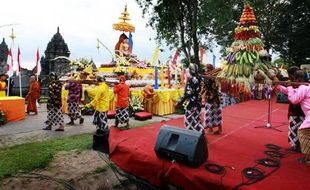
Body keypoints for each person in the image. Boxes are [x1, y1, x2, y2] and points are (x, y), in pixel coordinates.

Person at [277, 82, 310, 164]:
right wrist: (278, 85)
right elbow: (291, 91)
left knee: (303, 134)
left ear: (297, 79)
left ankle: (308, 159)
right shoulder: (305, 87)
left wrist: (289, 86)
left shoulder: (303, 87)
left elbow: (294, 100)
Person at [283, 67, 305, 152]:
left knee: (295, 128)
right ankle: (299, 145)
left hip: (297, 110)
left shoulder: (300, 85)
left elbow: (294, 99)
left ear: (292, 75)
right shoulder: (301, 84)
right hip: (302, 111)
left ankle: (296, 146)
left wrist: (288, 87)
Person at [177, 63, 204, 132]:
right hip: (197, 103)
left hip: (192, 104)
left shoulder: (191, 80)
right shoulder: (198, 78)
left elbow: (188, 94)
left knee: (190, 121)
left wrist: (180, 102)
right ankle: (198, 136)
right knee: (196, 120)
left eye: (188, 70)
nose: (186, 72)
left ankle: (201, 135)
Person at [202, 64, 222, 135]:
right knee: (217, 113)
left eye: (207, 69)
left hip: (210, 98)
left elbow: (205, 87)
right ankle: (220, 129)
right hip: (216, 98)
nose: (206, 70)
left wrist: (201, 94)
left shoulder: (208, 78)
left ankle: (210, 130)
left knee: (209, 113)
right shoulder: (217, 77)